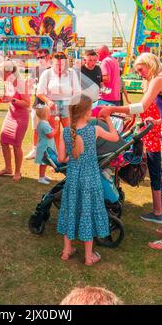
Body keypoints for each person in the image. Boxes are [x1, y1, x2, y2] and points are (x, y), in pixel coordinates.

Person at [99, 53, 162, 251]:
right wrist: (161, 121)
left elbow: (141, 106)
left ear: (149, 65)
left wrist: (110, 110)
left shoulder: (158, 79)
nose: (140, 74)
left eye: (140, 70)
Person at [57, 95, 119, 266]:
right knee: (88, 212)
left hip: (73, 178)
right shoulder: (94, 130)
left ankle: (66, 250)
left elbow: (61, 157)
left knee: (71, 210)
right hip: (90, 178)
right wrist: (107, 118)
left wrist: (73, 158)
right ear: (86, 112)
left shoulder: (66, 131)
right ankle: (88, 256)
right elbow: (115, 137)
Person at [0, 61, 30, 182]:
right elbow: (8, 97)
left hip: (21, 117)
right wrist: (2, 99)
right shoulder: (8, 82)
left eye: (1, 73)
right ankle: (8, 168)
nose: (0, 75)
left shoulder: (21, 83)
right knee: (3, 141)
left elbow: (27, 103)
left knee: (16, 145)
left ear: (9, 72)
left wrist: (12, 100)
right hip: (11, 115)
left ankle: (17, 171)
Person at [37, 52, 80, 148]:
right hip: (52, 106)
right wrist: (48, 101)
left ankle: (70, 153)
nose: (60, 67)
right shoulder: (47, 73)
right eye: (57, 64)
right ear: (52, 63)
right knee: (54, 132)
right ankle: (57, 155)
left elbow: (77, 92)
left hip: (67, 105)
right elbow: (39, 93)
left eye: (62, 64)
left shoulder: (71, 73)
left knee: (69, 132)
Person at [25, 48, 51, 160]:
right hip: (37, 103)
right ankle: (35, 149)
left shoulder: (52, 70)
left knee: (49, 129)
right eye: (38, 57)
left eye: (42, 57)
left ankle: (49, 152)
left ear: (48, 56)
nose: (40, 59)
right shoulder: (36, 69)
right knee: (35, 128)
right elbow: (30, 85)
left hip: (49, 103)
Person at [34, 105, 58, 185]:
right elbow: (50, 135)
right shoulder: (44, 124)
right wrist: (56, 128)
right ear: (46, 114)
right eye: (49, 112)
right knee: (43, 163)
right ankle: (41, 178)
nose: (50, 114)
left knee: (46, 162)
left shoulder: (42, 123)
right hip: (45, 146)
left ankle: (43, 176)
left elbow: (37, 133)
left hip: (45, 144)